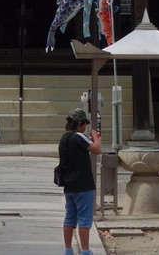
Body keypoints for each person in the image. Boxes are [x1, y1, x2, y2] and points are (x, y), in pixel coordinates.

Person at [58, 108, 101, 255]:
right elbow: (96, 149)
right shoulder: (79, 137)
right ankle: (85, 250)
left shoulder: (64, 139)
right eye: (84, 124)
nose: (85, 127)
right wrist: (95, 136)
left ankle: (68, 249)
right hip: (83, 185)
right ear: (79, 123)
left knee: (69, 217)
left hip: (69, 185)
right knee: (84, 219)